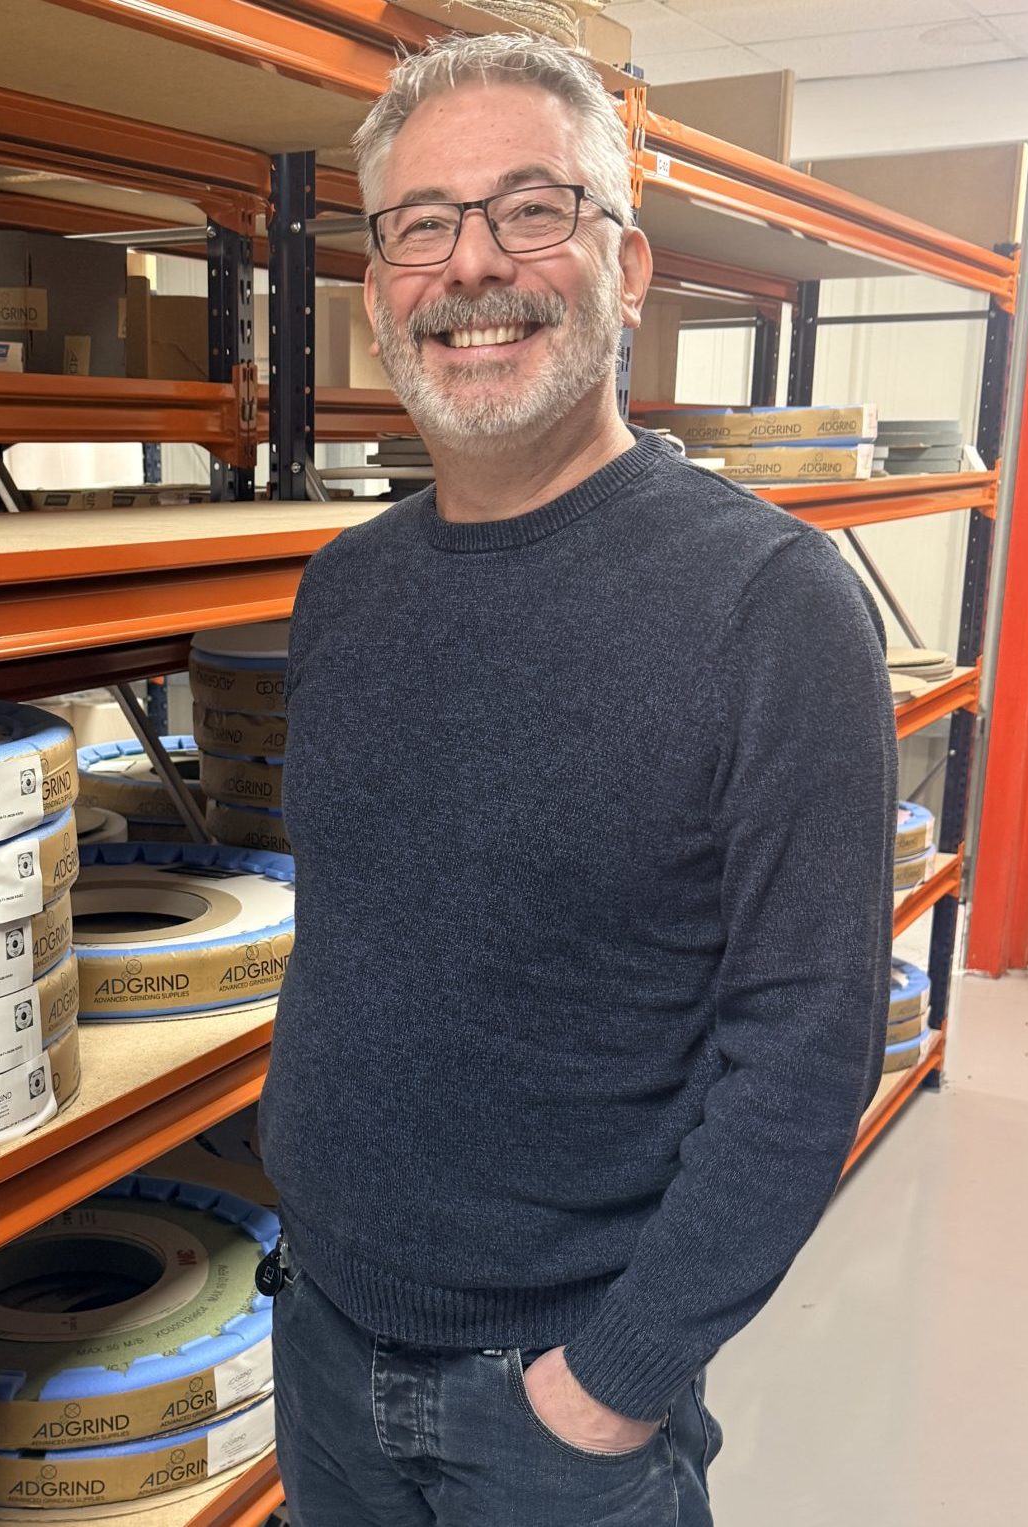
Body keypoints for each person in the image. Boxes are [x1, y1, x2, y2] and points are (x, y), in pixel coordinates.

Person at [258, 31, 897, 1527]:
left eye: (532, 209)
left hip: (553, 1403)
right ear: (377, 291)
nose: (473, 265)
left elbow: (808, 1042)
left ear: (628, 266)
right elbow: (361, 940)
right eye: (422, 225)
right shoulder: (345, 590)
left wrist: (619, 1376)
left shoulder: (770, 604)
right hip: (323, 1332)